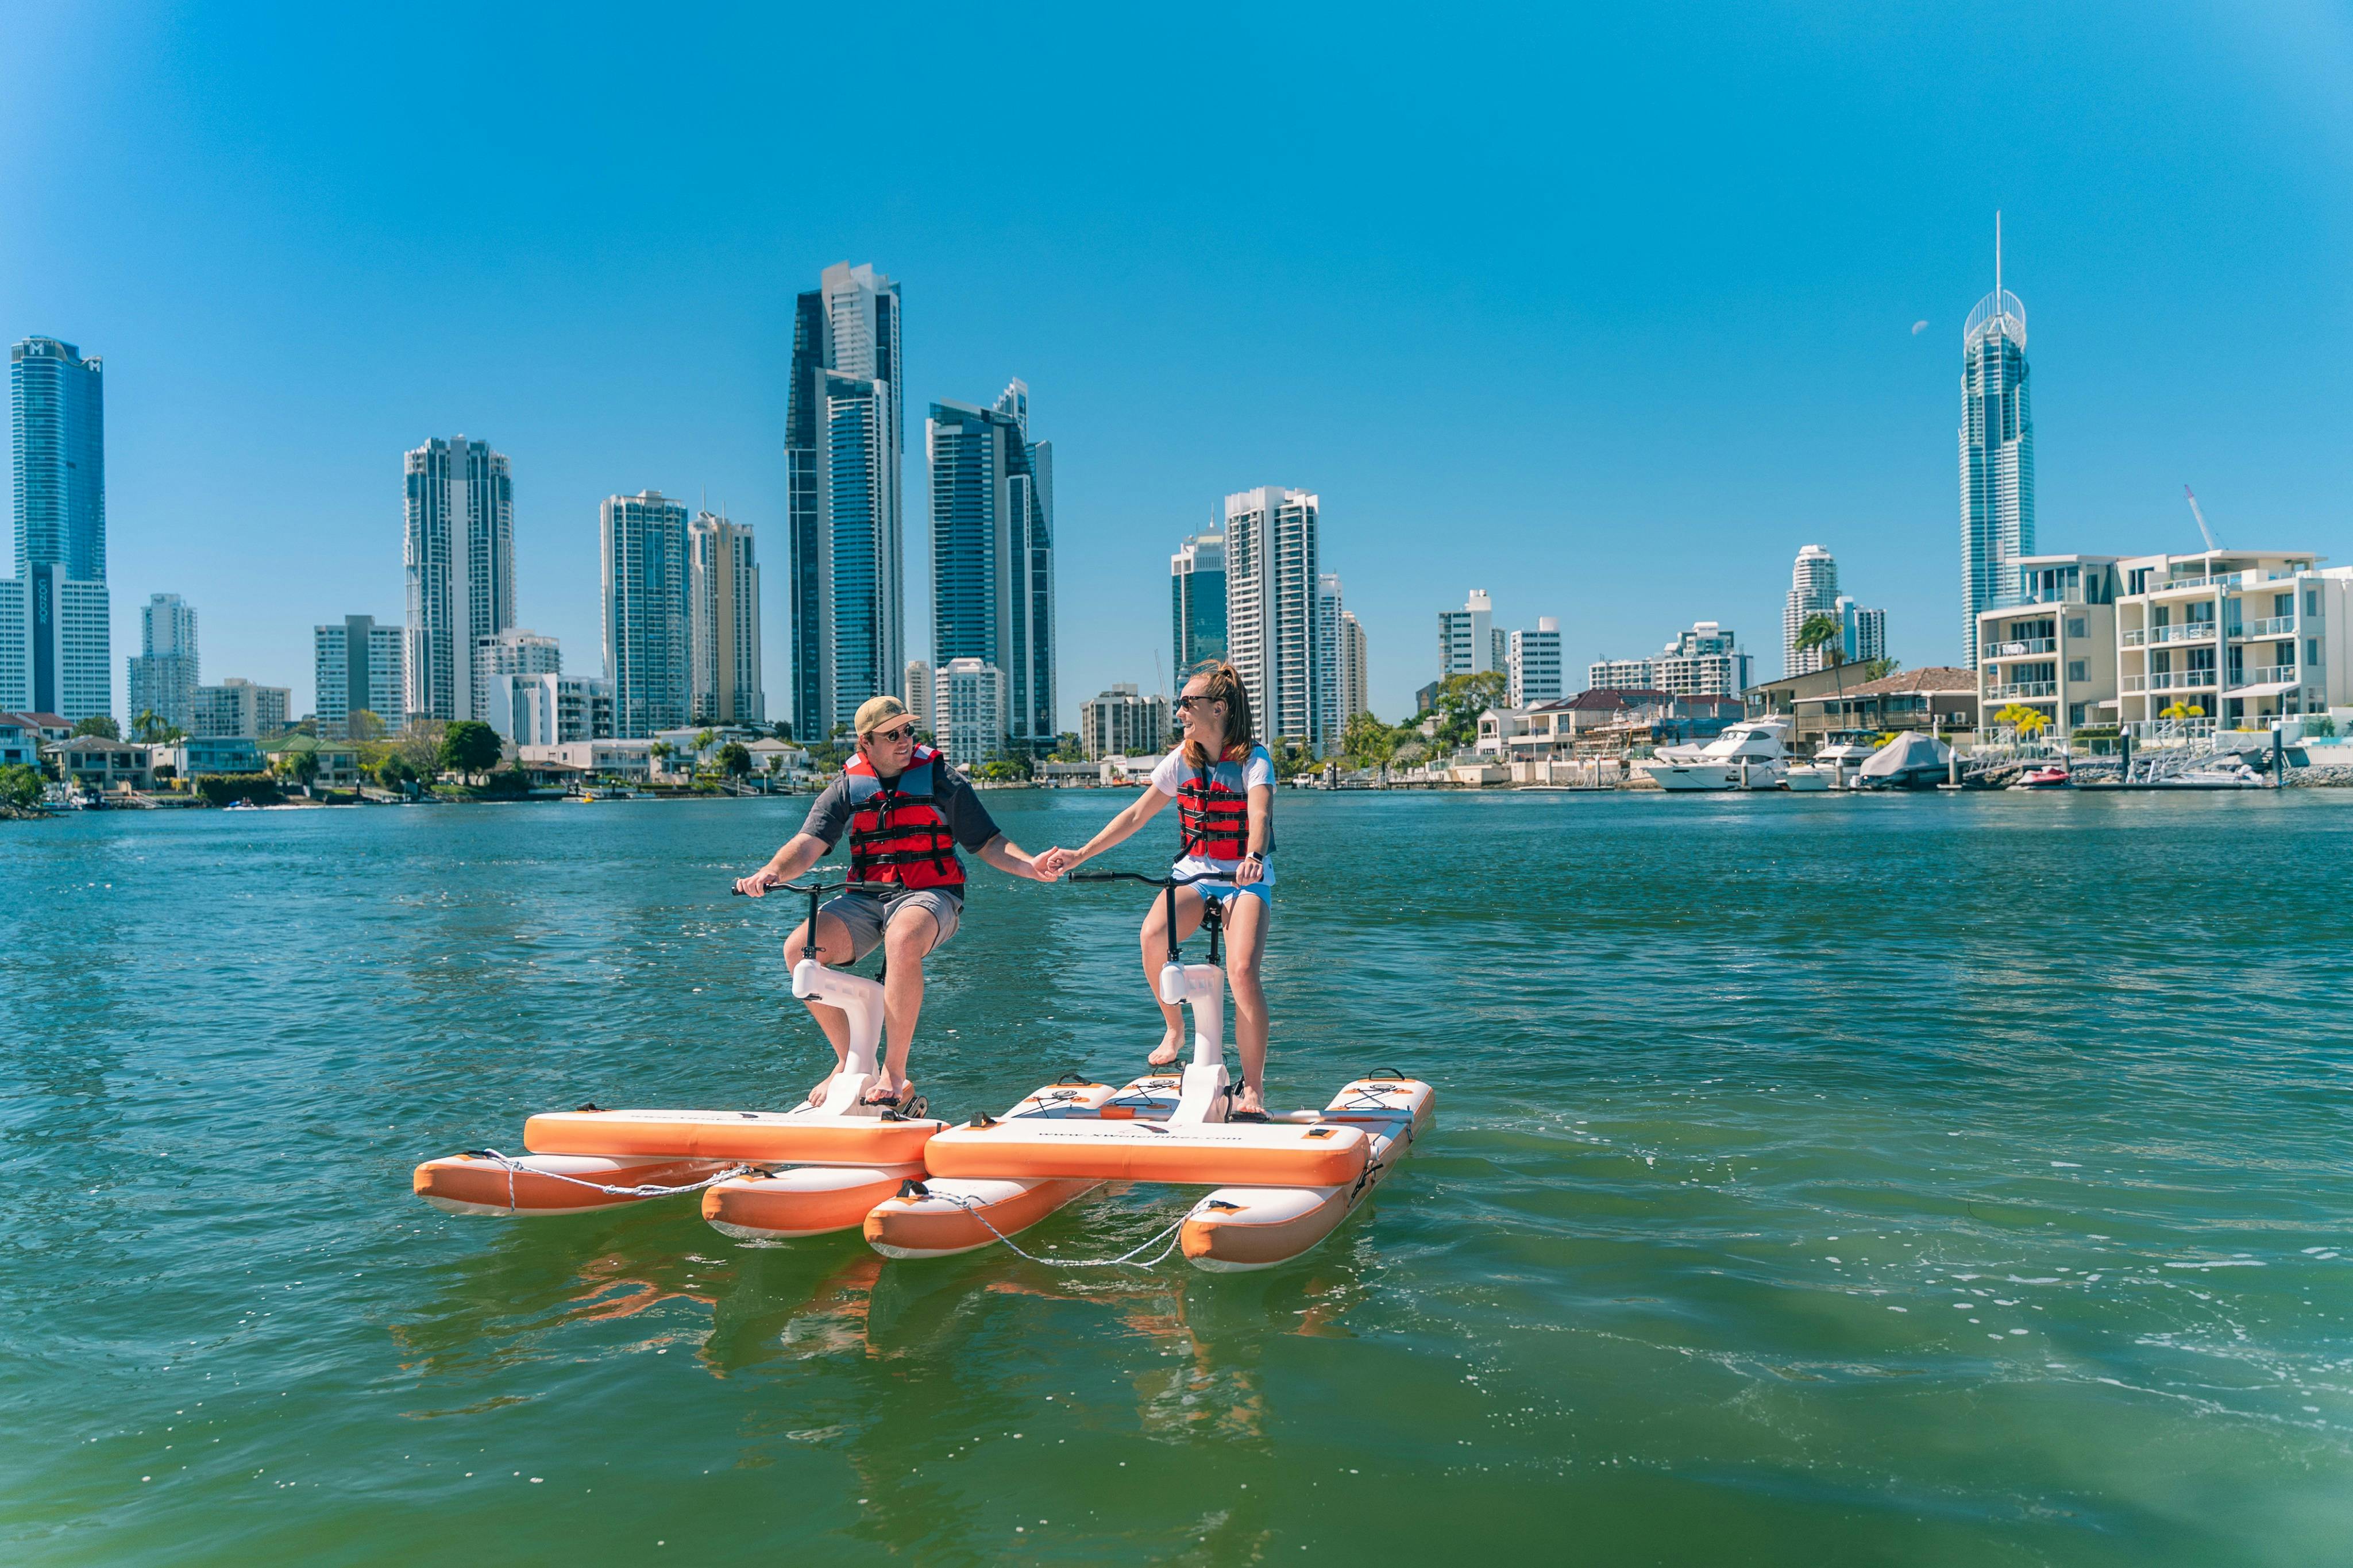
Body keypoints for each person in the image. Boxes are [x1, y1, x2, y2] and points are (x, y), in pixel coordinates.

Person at [736, 696, 1051, 1107]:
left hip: (932, 894)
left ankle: (894, 1072)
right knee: (800, 952)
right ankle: (849, 1061)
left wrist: (1032, 865)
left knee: (902, 939)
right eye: (892, 735)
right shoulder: (847, 787)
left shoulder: (941, 779)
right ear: (865, 743)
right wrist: (772, 872)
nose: (904, 741)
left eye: (908, 731)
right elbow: (807, 843)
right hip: (868, 897)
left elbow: (988, 842)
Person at [1037, 662, 1276, 1117]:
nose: (1181, 710)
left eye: (1189, 703)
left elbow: (1260, 817)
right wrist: (1080, 854)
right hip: (1195, 873)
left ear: (1218, 709)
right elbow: (1134, 817)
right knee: (1152, 936)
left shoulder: (1254, 759)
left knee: (1243, 972)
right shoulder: (1180, 761)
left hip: (1245, 876)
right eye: (1181, 702)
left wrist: (1254, 859)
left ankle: (1254, 1090)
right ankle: (1175, 1029)